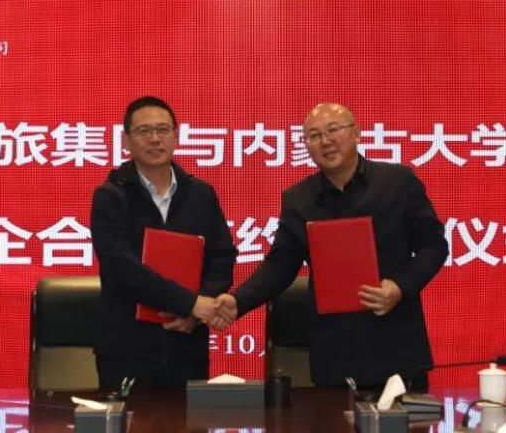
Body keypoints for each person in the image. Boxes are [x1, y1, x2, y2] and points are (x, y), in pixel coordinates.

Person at [215, 103, 448, 391]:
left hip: (396, 342)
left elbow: (434, 245)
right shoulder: (299, 199)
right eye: (314, 136)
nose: (325, 141)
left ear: (356, 133)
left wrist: (400, 287)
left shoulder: (398, 182)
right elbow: (281, 264)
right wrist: (238, 301)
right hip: (335, 351)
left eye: (333, 129)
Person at [90, 96, 237, 390]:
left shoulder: (201, 194)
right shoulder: (110, 197)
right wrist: (190, 303)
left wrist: (197, 311)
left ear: (176, 137)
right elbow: (123, 270)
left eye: (163, 130)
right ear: (126, 141)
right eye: (143, 131)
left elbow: (222, 257)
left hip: (187, 344)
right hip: (126, 348)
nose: (155, 139)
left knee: (188, 416)